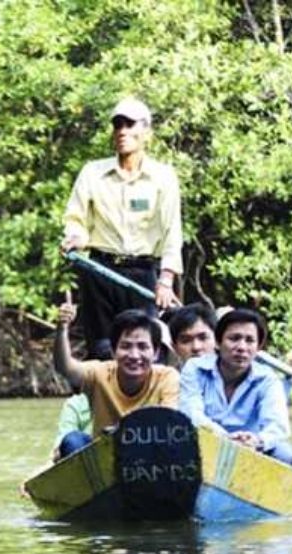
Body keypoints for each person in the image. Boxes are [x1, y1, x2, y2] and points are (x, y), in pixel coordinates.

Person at [60, 96, 183, 359]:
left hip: (143, 273)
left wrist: (167, 279)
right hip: (100, 270)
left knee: (145, 349)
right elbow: (76, 220)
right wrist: (75, 238)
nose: (122, 131)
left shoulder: (163, 176)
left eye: (129, 124)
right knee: (102, 350)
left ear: (146, 131)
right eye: (117, 125)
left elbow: (173, 231)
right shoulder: (92, 172)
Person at [53, 303, 180, 459]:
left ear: (155, 353)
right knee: (72, 441)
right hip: (106, 457)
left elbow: (168, 420)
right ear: (113, 351)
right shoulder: (100, 373)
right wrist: (62, 329)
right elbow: (65, 368)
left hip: (149, 457)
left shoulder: (167, 377)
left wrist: (123, 432)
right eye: (126, 346)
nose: (134, 355)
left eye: (142, 347)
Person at [179, 308, 292, 464]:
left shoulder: (267, 379)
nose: (241, 347)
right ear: (218, 343)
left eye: (249, 340)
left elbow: (278, 426)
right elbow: (191, 413)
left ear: (258, 347)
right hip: (206, 441)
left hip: (250, 448)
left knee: (285, 455)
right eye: (234, 339)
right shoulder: (195, 368)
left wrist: (257, 440)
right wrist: (224, 438)